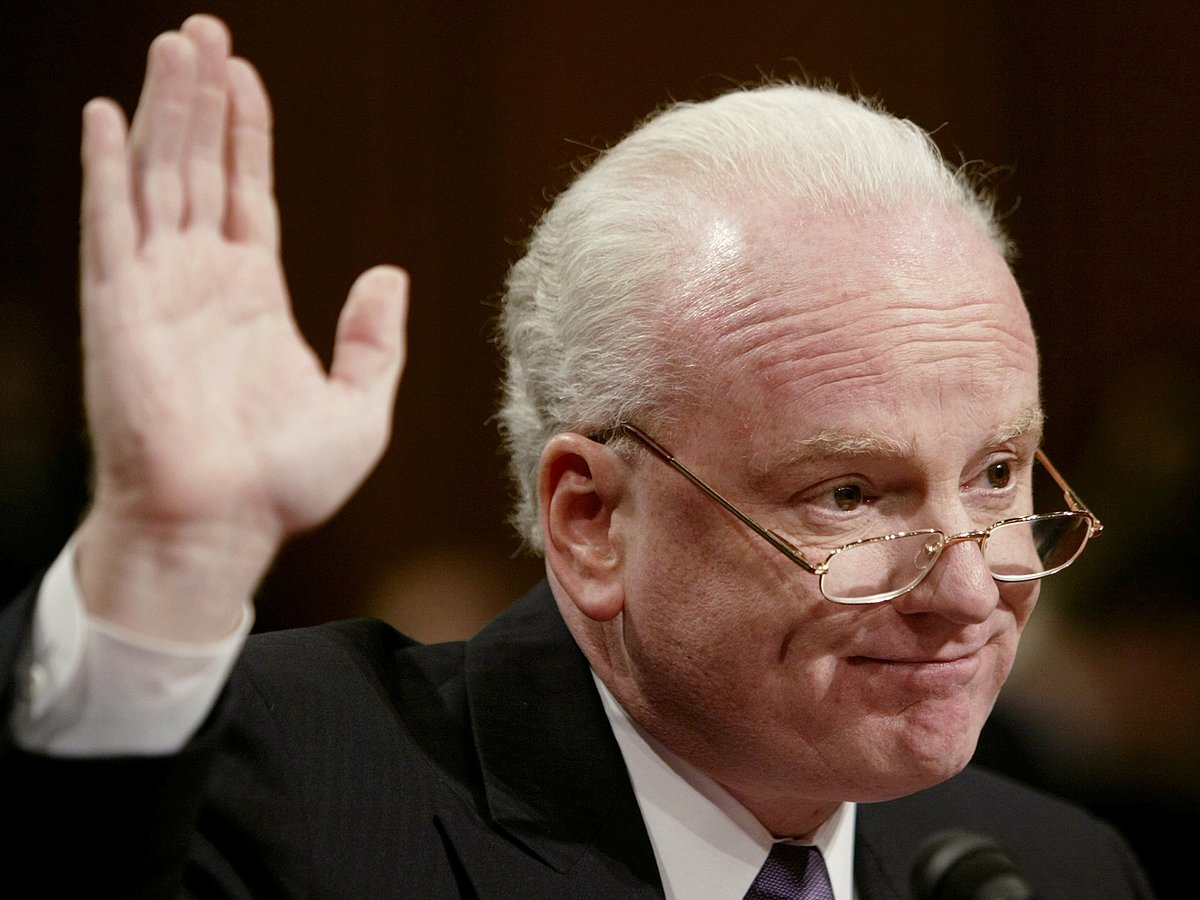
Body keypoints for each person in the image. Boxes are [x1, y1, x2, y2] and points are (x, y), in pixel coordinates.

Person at [0, 13, 1154, 899]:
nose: (968, 591)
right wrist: (163, 569)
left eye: (999, 474)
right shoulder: (288, 792)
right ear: (593, 519)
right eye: (849, 494)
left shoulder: (1055, 868)